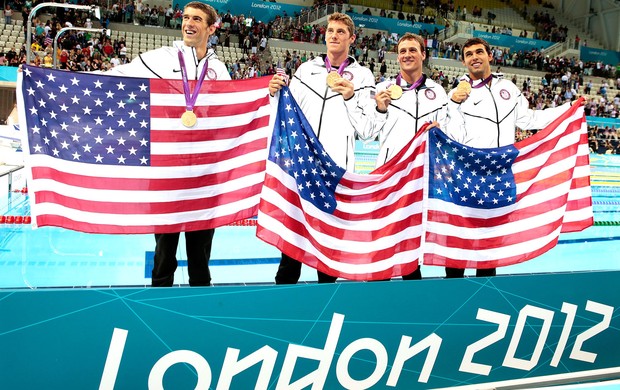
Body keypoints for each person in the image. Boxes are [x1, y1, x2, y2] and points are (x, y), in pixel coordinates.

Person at [106, 2, 230, 286]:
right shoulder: (162, 58)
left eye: (197, 19)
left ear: (211, 28)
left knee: (200, 255)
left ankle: (200, 305)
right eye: (186, 17)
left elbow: (228, 113)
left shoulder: (219, 70)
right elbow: (120, 76)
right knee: (165, 253)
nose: (188, 22)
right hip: (167, 169)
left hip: (204, 172)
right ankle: (161, 298)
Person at [444, 37, 578, 278]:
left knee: (491, 241)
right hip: (468, 174)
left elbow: (529, 119)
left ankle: (485, 295)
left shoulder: (508, 88)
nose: (475, 57)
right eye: (469, 54)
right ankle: (452, 290)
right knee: (462, 238)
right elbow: (453, 136)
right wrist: (453, 104)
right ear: (464, 62)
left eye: (479, 52)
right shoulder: (457, 93)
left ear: (489, 56)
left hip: (500, 174)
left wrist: (569, 109)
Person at [268, 12, 376, 284]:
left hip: (334, 169)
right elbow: (287, 114)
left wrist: (350, 96)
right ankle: (284, 302)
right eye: (330, 31)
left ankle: (325, 308)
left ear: (352, 38)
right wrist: (273, 94)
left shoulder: (363, 76)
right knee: (292, 242)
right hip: (302, 166)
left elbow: (368, 130)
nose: (334, 36)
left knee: (327, 244)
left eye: (340, 31)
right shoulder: (307, 70)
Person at [372, 33, 449, 280]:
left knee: (412, 236)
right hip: (389, 174)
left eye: (413, 50)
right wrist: (379, 109)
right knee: (384, 234)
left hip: (422, 175)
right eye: (402, 50)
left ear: (423, 55)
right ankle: (378, 287)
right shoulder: (383, 88)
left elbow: (450, 130)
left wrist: (442, 129)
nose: (407, 55)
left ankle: (412, 292)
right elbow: (368, 131)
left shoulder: (438, 92)